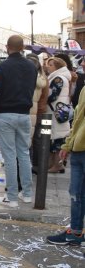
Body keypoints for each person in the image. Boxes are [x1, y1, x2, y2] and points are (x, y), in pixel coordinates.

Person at [0, 35, 37, 208]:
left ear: (7, 47)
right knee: (24, 154)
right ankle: (27, 194)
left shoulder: (2, 67)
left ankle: (11, 197)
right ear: (22, 47)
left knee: (9, 156)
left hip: (6, 113)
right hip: (24, 114)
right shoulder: (32, 67)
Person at [46, 85, 85, 246]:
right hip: (78, 149)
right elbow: (78, 119)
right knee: (75, 193)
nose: (82, 63)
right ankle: (75, 232)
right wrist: (67, 144)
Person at [45, 57, 72, 173]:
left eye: (50, 65)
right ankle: (53, 164)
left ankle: (57, 165)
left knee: (57, 140)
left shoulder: (58, 79)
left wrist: (43, 95)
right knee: (55, 139)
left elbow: (52, 96)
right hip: (56, 112)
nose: (48, 66)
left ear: (57, 67)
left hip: (55, 114)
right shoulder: (60, 77)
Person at [25, 54, 49, 172]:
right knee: (35, 139)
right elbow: (44, 97)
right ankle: (36, 165)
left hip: (31, 111)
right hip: (38, 111)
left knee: (29, 140)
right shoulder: (43, 78)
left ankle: (31, 165)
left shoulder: (29, 78)